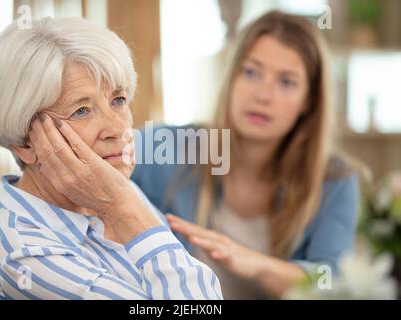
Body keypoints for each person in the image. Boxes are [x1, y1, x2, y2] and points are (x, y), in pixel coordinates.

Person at [0, 17, 222, 300]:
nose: (118, 129)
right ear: (24, 143)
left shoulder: (109, 188)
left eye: (118, 100)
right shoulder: (27, 257)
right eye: (81, 111)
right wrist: (122, 206)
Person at [131, 11, 360, 299]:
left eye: (286, 82)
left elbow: (332, 282)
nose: (263, 95)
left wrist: (257, 265)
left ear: (309, 101)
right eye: (251, 72)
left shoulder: (335, 180)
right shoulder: (163, 146)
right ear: (232, 77)